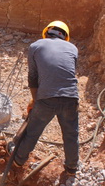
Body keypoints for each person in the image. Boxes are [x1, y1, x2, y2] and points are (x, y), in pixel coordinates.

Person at [13, 20, 79, 176]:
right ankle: (72, 167)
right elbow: (66, 73)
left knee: (33, 131)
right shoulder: (73, 48)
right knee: (71, 134)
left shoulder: (35, 46)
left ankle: (18, 160)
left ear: (46, 33)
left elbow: (33, 77)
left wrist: (35, 101)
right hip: (71, 97)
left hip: (46, 98)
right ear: (65, 36)